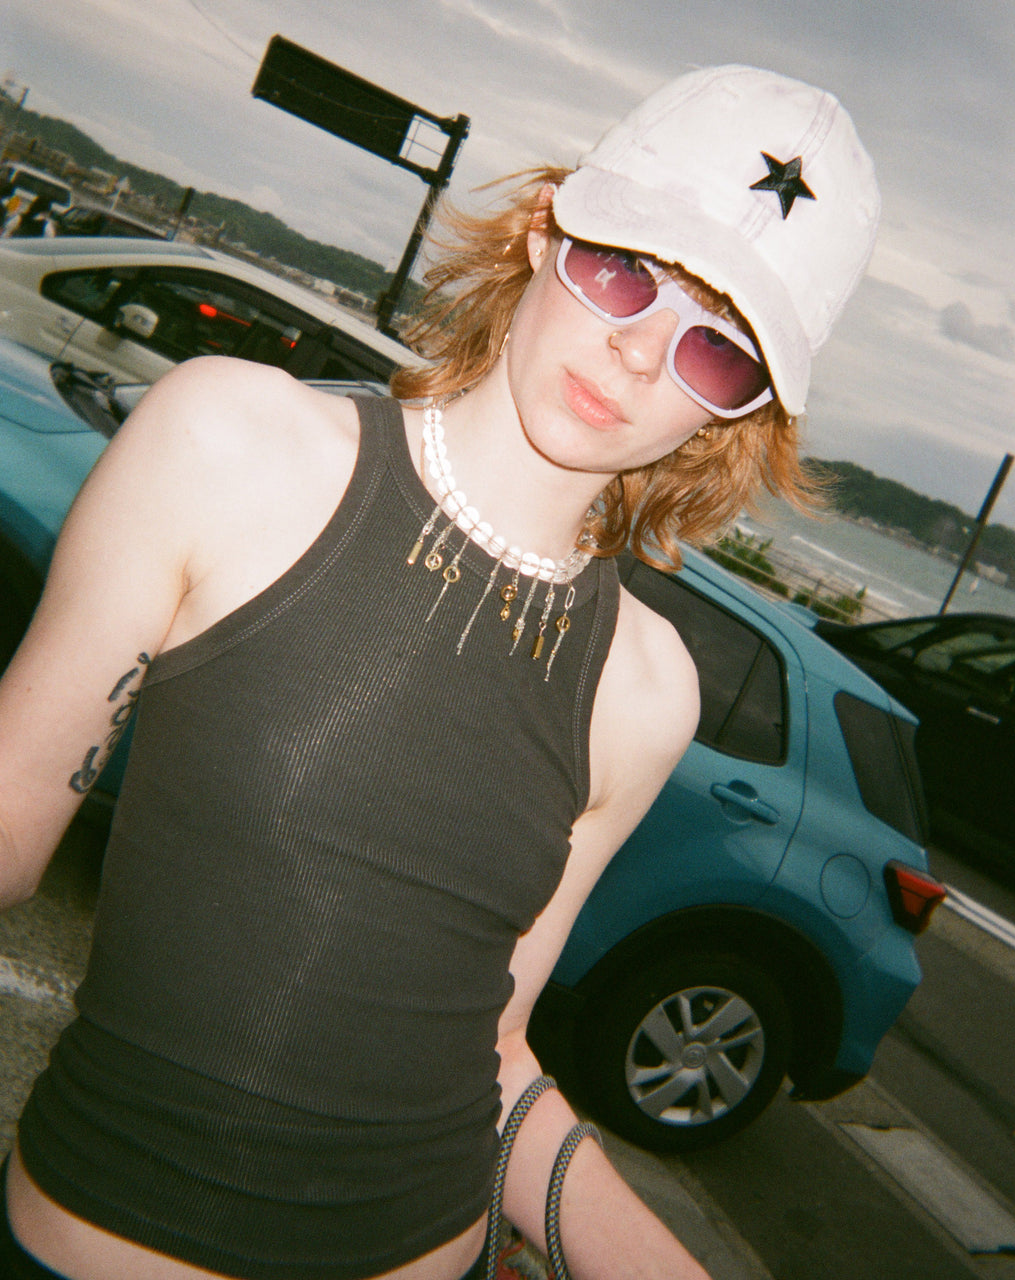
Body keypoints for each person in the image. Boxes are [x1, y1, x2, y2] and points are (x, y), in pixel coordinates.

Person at [0, 63, 880, 1280]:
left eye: (717, 353)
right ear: (543, 232)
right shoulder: (230, 442)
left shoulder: (648, 687)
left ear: (736, 414)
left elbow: (493, 1053)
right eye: (625, 271)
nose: (639, 354)